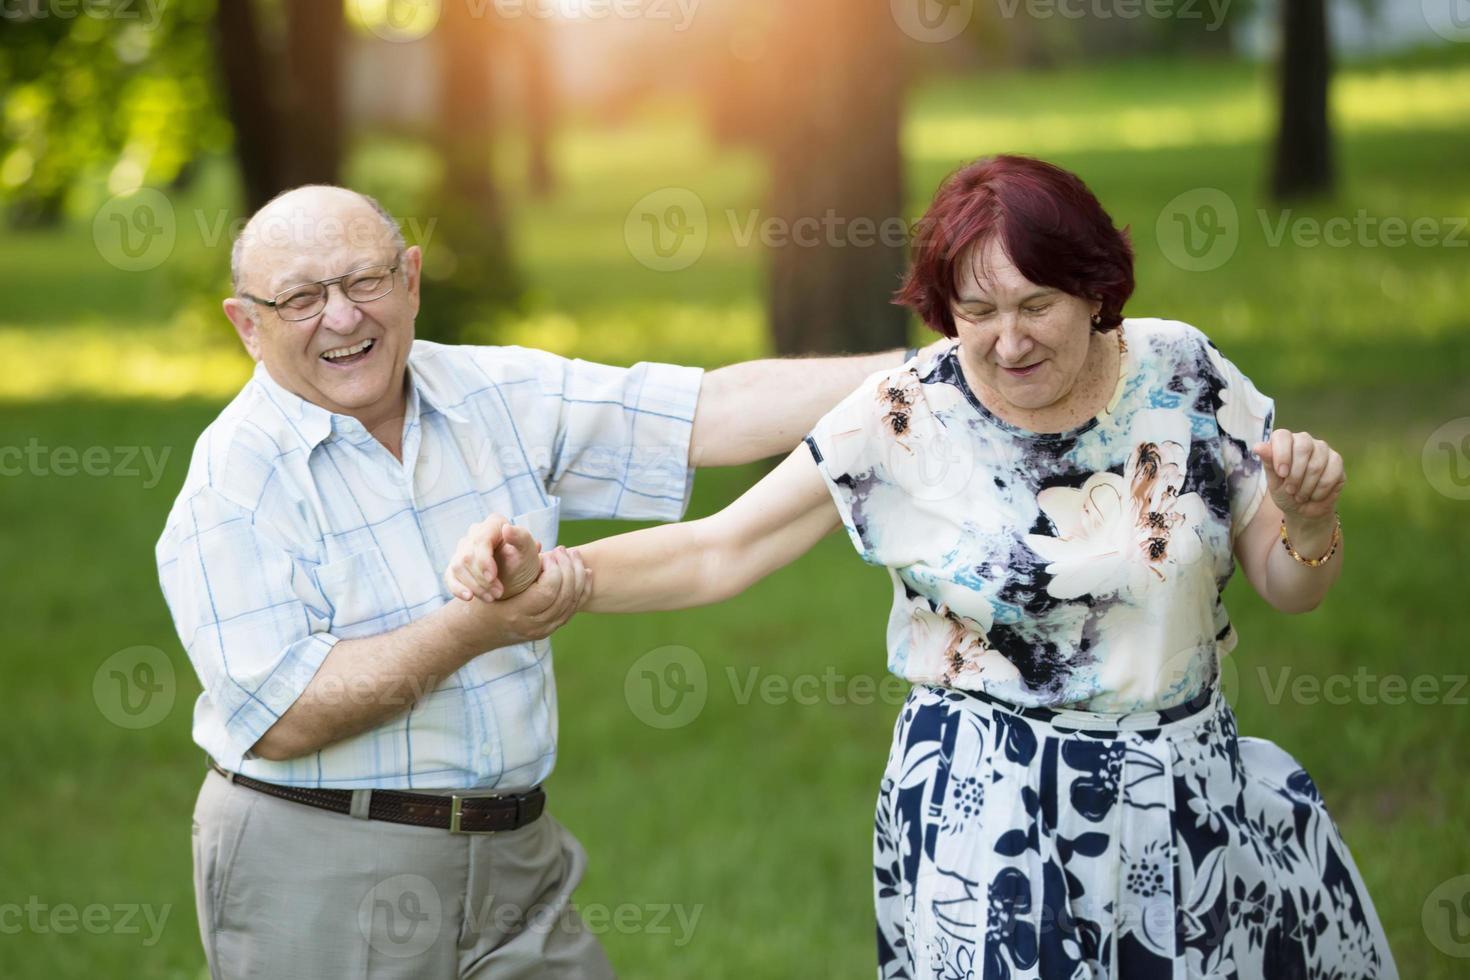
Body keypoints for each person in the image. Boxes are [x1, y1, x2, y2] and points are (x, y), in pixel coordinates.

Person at [451, 156, 1399, 978]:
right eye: (976, 312)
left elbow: (1292, 584)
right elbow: (719, 547)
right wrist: (555, 578)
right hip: (998, 822)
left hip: (1190, 800)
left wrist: (1309, 521)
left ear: (1097, 289)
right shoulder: (906, 412)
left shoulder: (1183, 372)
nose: (1008, 341)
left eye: (1037, 306)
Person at [154, 184, 938, 979]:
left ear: (412, 280)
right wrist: (477, 627)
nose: (344, 317)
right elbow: (285, 715)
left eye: (365, 281)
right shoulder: (234, 484)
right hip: (322, 863)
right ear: (247, 325)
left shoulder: (492, 394)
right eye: (300, 299)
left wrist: (932, 371)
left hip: (515, 861)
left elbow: (709, 410)